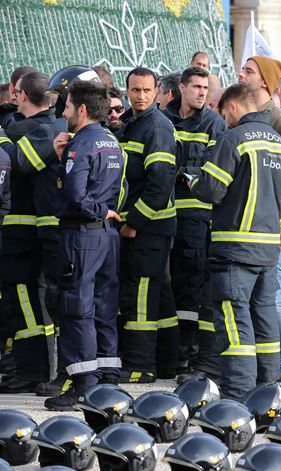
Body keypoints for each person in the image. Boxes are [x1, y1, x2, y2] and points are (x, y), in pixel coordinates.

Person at [189, 83, 281, 400]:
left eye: (224, 113)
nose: (224, 120)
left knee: (235, 324)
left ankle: (238, 395)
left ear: (233, 106)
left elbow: (212, 189)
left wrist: (193, 179)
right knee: (264, 321)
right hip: (267, 251)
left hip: (234, 250)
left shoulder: (233, 139)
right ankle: (268, 392)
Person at [44, 80, 124, 410]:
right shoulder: (112, 142)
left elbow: (76, 194)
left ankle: (82, 386)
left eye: (66, 107)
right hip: (106, 235)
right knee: (105, 306)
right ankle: (107, 382)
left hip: (82, 235)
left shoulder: (84, 143)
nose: (62, 113)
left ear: (81, 110)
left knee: (78, 308)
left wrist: (95, 209)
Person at [237, 56, 281, 374]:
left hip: (274, 229)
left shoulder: (279, 121)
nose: (240, 74)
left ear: (265, 82)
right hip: (249, 228)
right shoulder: (244, 117)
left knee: (276, 297)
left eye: (248, 71)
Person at [162, 67, 227, 380]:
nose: (203, 93)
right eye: (197, 87)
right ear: (181, 88)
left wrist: (179, 171)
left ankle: (186, 353)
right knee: (168, 284)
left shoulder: (213, 123)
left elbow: (211, 171)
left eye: (206, 88)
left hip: (197, 219)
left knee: (191, 288)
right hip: (163, 216)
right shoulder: (165, 119)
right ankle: (169, 350)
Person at [116, 67, 178, 383]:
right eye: (135, 90)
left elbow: (160, 182)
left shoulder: (157, 127)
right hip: (148, 227)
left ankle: (140, 366)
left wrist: (133, 223)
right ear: (128, 90)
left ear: (157, 92)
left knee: (139, 296)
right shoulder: (132, 124)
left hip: (148, 227)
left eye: (146, 91)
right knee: (160, 295)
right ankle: (168, 362)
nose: (140, 96)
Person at [0, 71, 60, 393]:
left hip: (18, 231)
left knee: (22, 300)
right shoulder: (59, 127)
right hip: (48, 230)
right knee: (42, 302)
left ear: (20, 94)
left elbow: (11, 167)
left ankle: (31, 369)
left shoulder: (16, 133)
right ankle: (40, 368)